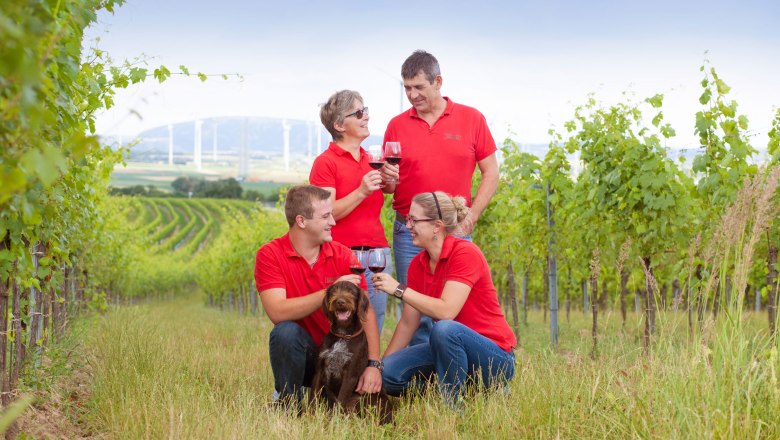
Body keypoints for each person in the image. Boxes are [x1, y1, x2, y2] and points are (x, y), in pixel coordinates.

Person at [380, 50, 500, 344]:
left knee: (454, 309)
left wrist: (471, 218)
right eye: (407, 88)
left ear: (438, 82)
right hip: (409, 231)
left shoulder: (472, 119)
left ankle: (454, 371)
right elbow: (389, 187)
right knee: (415, 308)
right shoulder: (397, 125)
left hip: (454, 230)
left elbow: (492, 173)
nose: (412, 94)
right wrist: (386, 181)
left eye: (419, 87)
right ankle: (421, 379)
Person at [371, 191, 516, 406]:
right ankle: (450, 390)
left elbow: (447, 311)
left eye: (414, 220)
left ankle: (454, 407)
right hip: (447, 348)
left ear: (437, 226)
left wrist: (399, 289)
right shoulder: (418, 265)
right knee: (389, 375)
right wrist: (378, 368)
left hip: (493, 357)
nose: (408, 225)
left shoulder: (465, 254)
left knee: (445, 329)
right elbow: (408, 323)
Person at [254, 185, 383, 410]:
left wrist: (373, 364)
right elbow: (277, 312)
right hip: (306, 356)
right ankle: (289, 405)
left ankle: (330, 400)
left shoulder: (343, 255)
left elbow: (365, 311)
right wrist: (329, 292)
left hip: (344, 359)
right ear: (302, 221)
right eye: (326, 216)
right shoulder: (270, 255)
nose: (333, 221)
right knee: (285, 332)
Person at [309, 90, 393, 333]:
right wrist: (361, 191)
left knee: (372, 324)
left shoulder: (372, 158)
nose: (365, 116)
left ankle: (371, 370)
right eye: (358, 113)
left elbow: (387, 192)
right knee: (342, 324)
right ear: (338, 125)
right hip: (342, 254)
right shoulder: (326, 162)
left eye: (365, 110)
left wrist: (391, 181)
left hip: (377, 254)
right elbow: (326, 213)